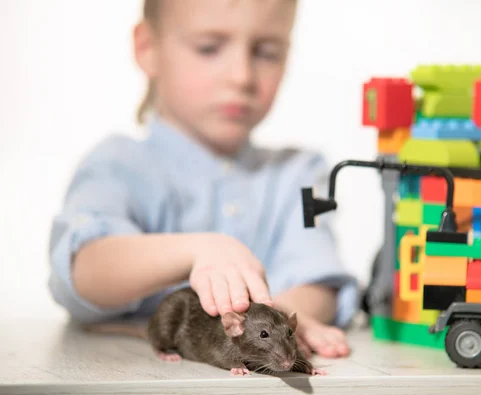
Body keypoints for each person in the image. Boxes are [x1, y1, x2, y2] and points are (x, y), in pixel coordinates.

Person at [48, 0, 357, 358]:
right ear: (148, 48)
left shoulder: (301, 173)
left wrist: (273, 325)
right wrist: (200, 249)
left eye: (267, 51)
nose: (241, 75)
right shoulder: (117, 163)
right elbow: (84, 267)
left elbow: (318, 277)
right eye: (208, 47)